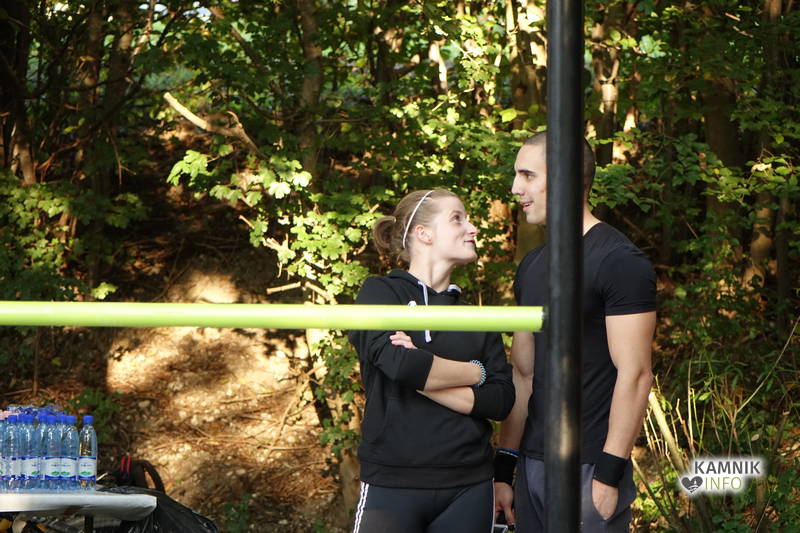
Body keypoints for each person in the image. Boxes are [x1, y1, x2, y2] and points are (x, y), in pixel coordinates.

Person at [494, 132, 656, 532]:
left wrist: (609, 473)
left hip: (590, 469)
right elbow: (523, 374)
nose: (515, 188)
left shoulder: (618, 260)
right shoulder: (532, 266)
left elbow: (635, 374)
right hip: (532, 465)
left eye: (527, 175)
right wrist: (505, 468)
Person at [348, 189, 515, 533]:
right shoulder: (381, 292)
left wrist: (423, 371)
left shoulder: (476, 317)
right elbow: (400, 365)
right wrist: (475, 372)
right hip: (392, 481)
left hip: (469, 483)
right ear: (423, 233)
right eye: (457, 219)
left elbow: (500, 400)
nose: (472, 228)